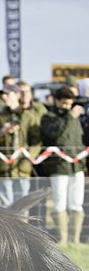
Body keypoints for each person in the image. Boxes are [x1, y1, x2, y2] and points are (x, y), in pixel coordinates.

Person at [40, 86, 87, 245]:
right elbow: (54, 135)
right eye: (65, 103)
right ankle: (63, 238)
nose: (67, 107)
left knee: (76, 202)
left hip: (77, 166)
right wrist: (69, 117)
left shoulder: (75, 118)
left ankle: (74, 240)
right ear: (57, 101)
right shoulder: (49, 117)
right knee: (59, 201)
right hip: (59, 166)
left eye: (70, 103)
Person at [0, 85, 40, 207]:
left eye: (8, 94)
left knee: (23, 206)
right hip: (3, 169)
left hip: (22, 168)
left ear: (17, 95)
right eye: (3, 94)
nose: (4, 97)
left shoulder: (28, 116)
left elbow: (37, 141)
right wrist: (2, 131)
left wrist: (30, 156)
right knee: (6, 206)